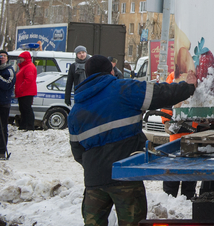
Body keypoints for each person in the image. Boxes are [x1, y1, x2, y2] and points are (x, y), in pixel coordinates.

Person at [68, 55, 196, 226]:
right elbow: (161, 94)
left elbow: (77, 152)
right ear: (111, 71)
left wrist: (96, 165)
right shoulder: (123, 89)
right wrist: (188, 87)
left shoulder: (76, 109)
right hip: (125, 176)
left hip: (94, 182)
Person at [160, 71, 197, 199]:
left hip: (188, 132)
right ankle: (176, 196)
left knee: (182, 168)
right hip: (183, 133)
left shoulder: (174, 76)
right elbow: (167, 101)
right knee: (178, 167)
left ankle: (180, 196)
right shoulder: (175, 76)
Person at [14, 51, 37, 130]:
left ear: (26, 58)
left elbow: (28, 80)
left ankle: (29, 126)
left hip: (26, 92)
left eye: (21, 58)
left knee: (26, 109)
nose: (20, 59)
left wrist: (20, 88)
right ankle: (23, 125)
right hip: (23, 92)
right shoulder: (24, 66)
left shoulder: (29, 67)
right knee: (23, 109)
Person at [0, 50, 16, 158]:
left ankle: (2, 150)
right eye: (0, 56)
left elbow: (7, 85)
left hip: (3, 102)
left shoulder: (9, 70)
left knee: (2, 127)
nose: (2, 58)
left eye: (4, 56)